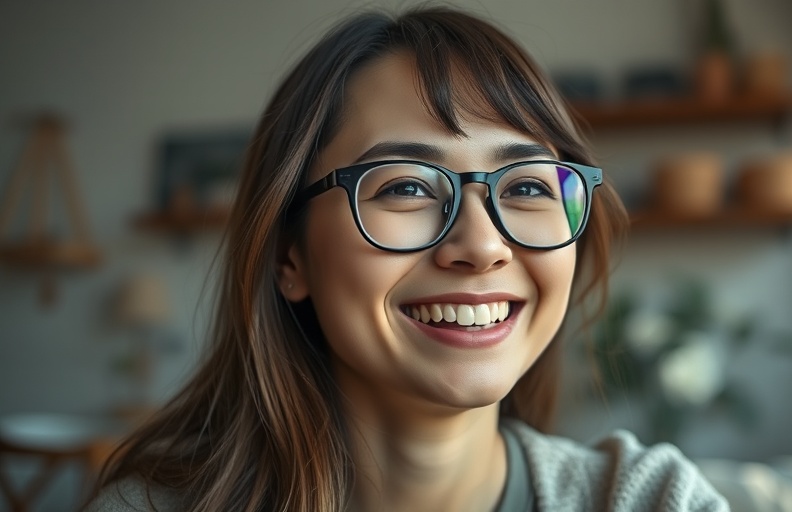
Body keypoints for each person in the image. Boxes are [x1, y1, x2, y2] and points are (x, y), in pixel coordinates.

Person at [86, 6, 728, 512]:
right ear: (290, 255)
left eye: (528, 185)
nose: (481, 245)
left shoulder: (648, 500)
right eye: (407, 187)